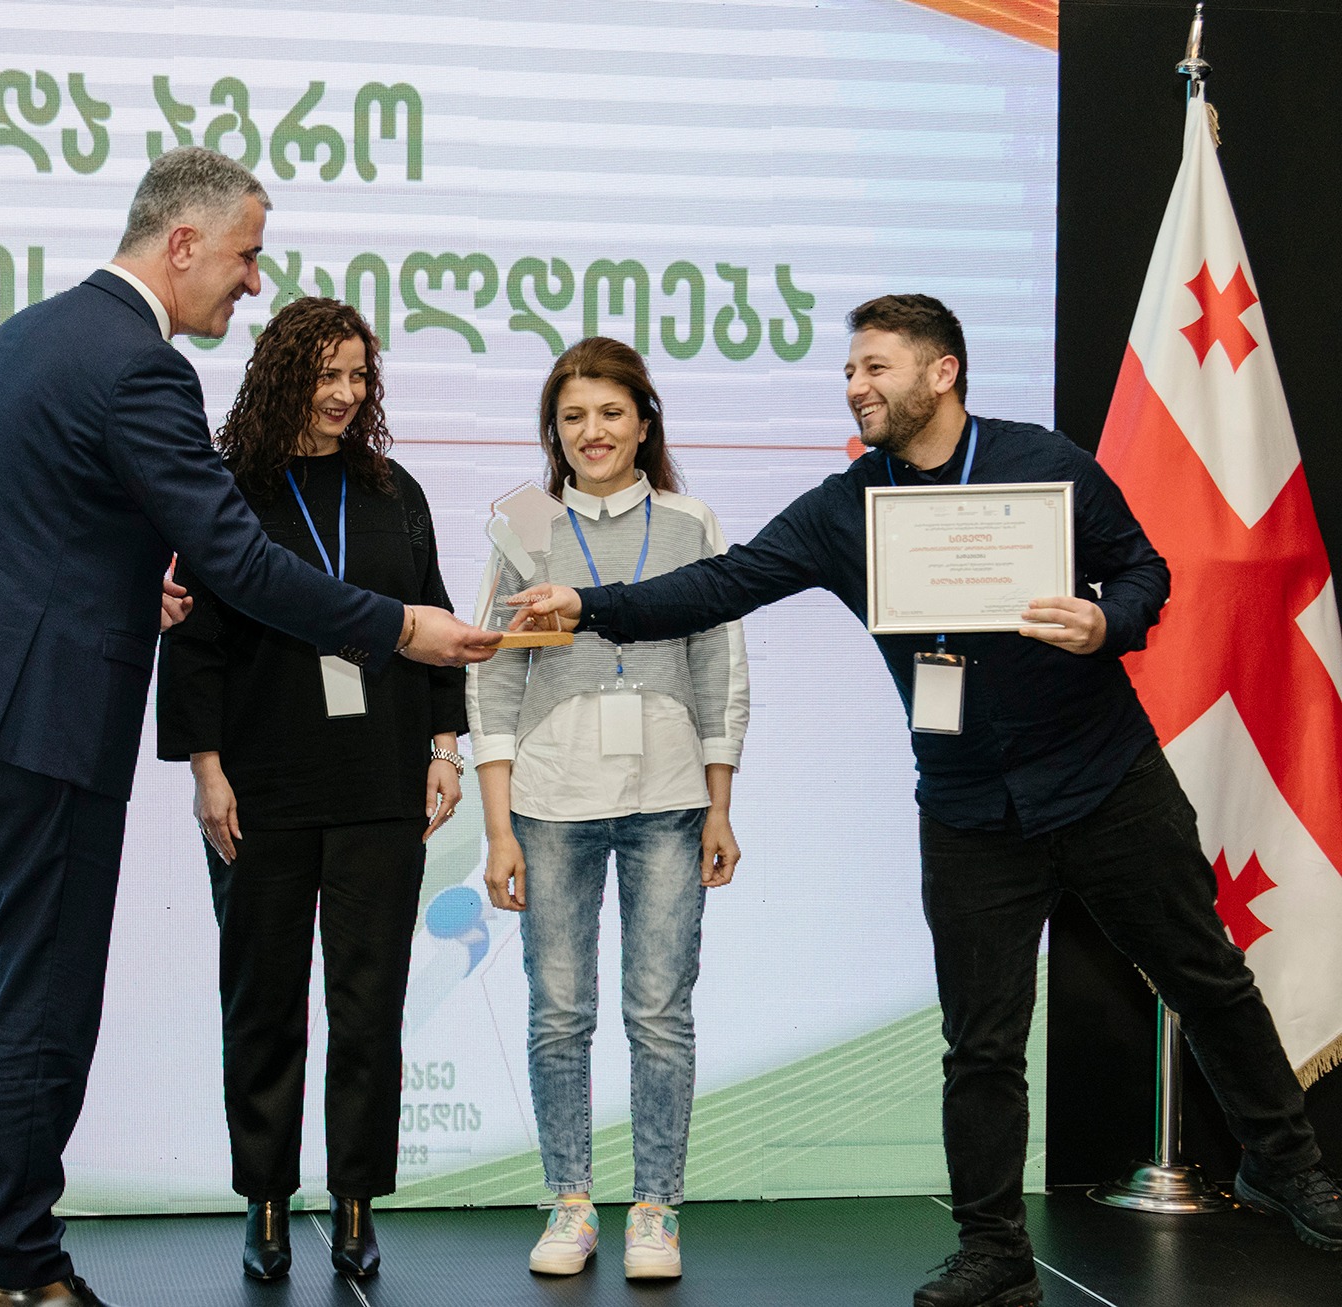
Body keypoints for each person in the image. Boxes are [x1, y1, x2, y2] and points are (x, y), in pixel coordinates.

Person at [509, 295, 1342, 1307]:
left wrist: (1107, 622)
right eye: (849, 372)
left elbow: (1143, 569)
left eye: (875, 368)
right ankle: (995, 1251)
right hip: (968, 809)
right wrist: (589, 605)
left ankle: (1285, 1162)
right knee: (981, 1044)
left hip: (1104, 779)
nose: (855, 387)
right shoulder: (846, 507)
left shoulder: (1043, 463)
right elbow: (721, 585)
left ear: (942, 372)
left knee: (1205, 975)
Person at [0, 148, 500, 1307]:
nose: (253, 280)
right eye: (246, 254)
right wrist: (398, 627)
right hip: (46, 716)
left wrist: (114, 584)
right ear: (182, 243)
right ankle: (15, 1263)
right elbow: (237, 560)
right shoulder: (143, 367)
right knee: (43, 988)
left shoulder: (19, 338)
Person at [155, 297, 469, 1283]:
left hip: (380, 779)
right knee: (262, 1004)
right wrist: (206, 768)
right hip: (263, 786)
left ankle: (356, 1200)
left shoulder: (392, 489)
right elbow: (195, 643)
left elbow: (431, 618)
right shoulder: (228, 490)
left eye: (359, 375)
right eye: (327, 374)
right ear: (284, 376)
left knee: (369, 1006)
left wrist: (446, 745)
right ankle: (264, 1202)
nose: (344, 394)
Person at [469, 337, 748, 1281]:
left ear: (644, 421)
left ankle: (656, 1208)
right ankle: (571, 1201)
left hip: (670, 798)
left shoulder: (691, 521)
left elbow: (719, 667)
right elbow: (491, 680)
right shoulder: (525, 527)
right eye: (573, 416)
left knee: (660, 1011)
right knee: (559, 1011)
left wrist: (720, 804)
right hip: (550, 803)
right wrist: (497, 828)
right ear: (553, 431)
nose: (593, 431)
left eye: (611, 412)